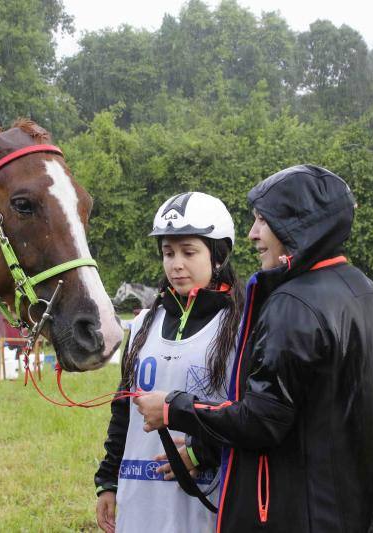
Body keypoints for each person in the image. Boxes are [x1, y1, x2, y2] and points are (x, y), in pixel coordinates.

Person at [135, 165, 373, 532]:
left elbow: (262, 420)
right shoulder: (366, 292)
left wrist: (174, 408)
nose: (252, 234)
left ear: (298, 223)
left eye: (263, 220)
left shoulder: (292, 304)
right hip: (357, 507)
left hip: (304, 511)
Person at [94, 192, 244, 533]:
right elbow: (124, 410)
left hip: (203, 501)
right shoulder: (143, 323)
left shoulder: (241, 326)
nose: (176, 264)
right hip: (140, 501)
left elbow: (253, 415)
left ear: (218, 255)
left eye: (189, 252)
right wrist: (109, 481)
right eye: (168, 252)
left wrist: (200, 452)